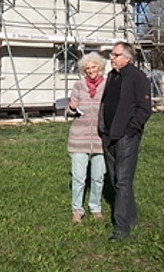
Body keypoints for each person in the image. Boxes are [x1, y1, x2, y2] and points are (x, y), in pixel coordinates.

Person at [98, 41, 152, 241]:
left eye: (115, 54)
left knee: (122, 181)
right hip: (108, 135)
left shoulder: (137, 77)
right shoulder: (112, 76)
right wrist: (102, 128)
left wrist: (130, 131)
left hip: (126, 138)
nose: (111, 57)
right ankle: (131, 219)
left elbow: (144, 108)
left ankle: (121, 230)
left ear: (127, 58)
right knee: (116, 181)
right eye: (111, 54)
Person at [67, 51, 107, 223]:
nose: (91, 70)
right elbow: (69, 110)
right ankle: (77, 209)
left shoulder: (107, 85)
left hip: (100, 138)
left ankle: (95, 207)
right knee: (78, 176)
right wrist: (71, 108)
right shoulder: (78, 85)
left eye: (94, 67)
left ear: (99, 67)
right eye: (87, 68)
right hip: (79, 137)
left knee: (98, 177)